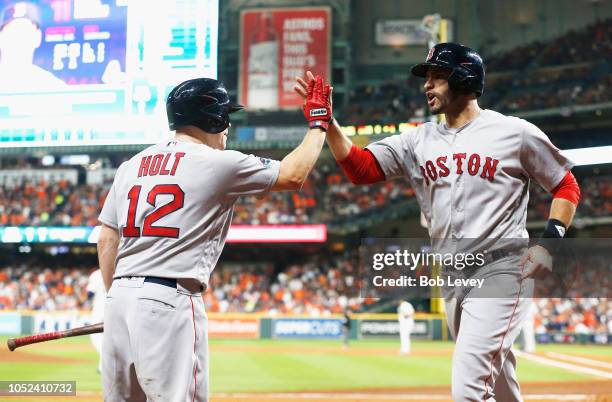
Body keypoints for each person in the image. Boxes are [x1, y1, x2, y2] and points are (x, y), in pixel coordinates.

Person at [295, 43, 581, 401]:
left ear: (464, 78)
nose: (427, 86)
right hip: (452, 275)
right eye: (427, 79)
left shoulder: (514, 132)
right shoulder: (418, 140)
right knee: (502, 386)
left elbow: (565, 184)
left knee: (469, 388)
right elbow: (361, 169)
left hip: (502, 271)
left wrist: (548, 243)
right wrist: (329, 122)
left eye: (437, 77)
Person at [97, 76, 332, 401]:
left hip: (118, 298)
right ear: (214, 118)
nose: (228, 126)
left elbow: (107, 238)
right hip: (169, 299)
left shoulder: (130, 166)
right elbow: (293, 174)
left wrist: (119, 300)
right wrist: (319, 123)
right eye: (226, 116)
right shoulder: (218, 161)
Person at [0, 1, 65, 92]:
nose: (18, 38)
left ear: (37, 37)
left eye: (24, 31)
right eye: (12, 31)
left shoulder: (52, 86)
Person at [86, 267, 106, 373]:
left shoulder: (96, 274)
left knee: (95, 336)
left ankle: (104, 364)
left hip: (99, 309)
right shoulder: (116, 270)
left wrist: (87, 301)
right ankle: (102, 366)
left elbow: (90, 294)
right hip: (113, 308)